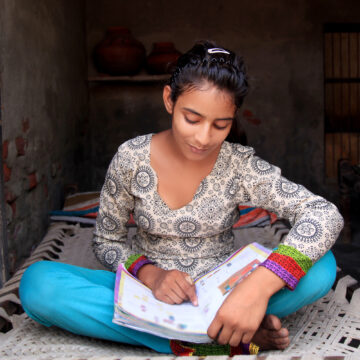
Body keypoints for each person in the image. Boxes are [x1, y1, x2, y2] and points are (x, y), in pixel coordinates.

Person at [19, 41, 344, 356]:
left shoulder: (240, 165)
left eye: (221, 125)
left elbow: (323, 213)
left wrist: (254, 290)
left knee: (322, 267)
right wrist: (152, 274)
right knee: (39, 285)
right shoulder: (131, 158)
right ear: (169, 100)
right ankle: (228, 337)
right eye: (192, 119)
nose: (204, 138)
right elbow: (106, 241)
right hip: (146, 293)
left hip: (226, 293)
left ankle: (224, 322)